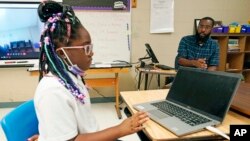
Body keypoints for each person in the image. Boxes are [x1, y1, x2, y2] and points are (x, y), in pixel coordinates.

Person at [30, 1, 149, 141]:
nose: (91, 53)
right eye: (86, 48)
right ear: (62, 53)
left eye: (90, 47)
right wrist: (120, 130)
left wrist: (51, 135)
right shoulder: (52, 91)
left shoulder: (71, 77)